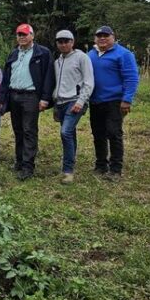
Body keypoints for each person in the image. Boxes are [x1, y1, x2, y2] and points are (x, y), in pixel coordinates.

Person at [0, 23, 55, 181]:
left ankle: (28, 166)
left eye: (25, 34)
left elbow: (48, 77)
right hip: (14, 95)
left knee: (29, 130)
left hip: (31, 96)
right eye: (19, 35)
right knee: (18, 130)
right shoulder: (13, 53)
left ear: (32, 35)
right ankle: (19, 160)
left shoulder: (42, 53)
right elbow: (6, 78)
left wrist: (45, 98)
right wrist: (3, 99)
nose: (22, 37)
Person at [88, 25, 139, 180]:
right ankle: (101, 164)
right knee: (98, 134)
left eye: (106, 36)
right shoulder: (91, 54)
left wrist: (127, 99)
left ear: (113, 37)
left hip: (114, 101)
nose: (102, 38)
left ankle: (115, 169)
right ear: (95, 38)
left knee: (113, 133)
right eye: (99, 36)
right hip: (95, 101)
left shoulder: (123, 54)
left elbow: (131, 78)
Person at [52, 30, 95, 184]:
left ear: (72, 42)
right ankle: (71, 161)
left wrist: (81, 101)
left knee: (65, 133)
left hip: (75, 100)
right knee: (69, 133)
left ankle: (68, 170)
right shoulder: (57, 61)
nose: (63, 44)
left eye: (66, 41)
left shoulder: (81, 57)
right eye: (60, 42)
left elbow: (89, 81)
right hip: (61, 102)